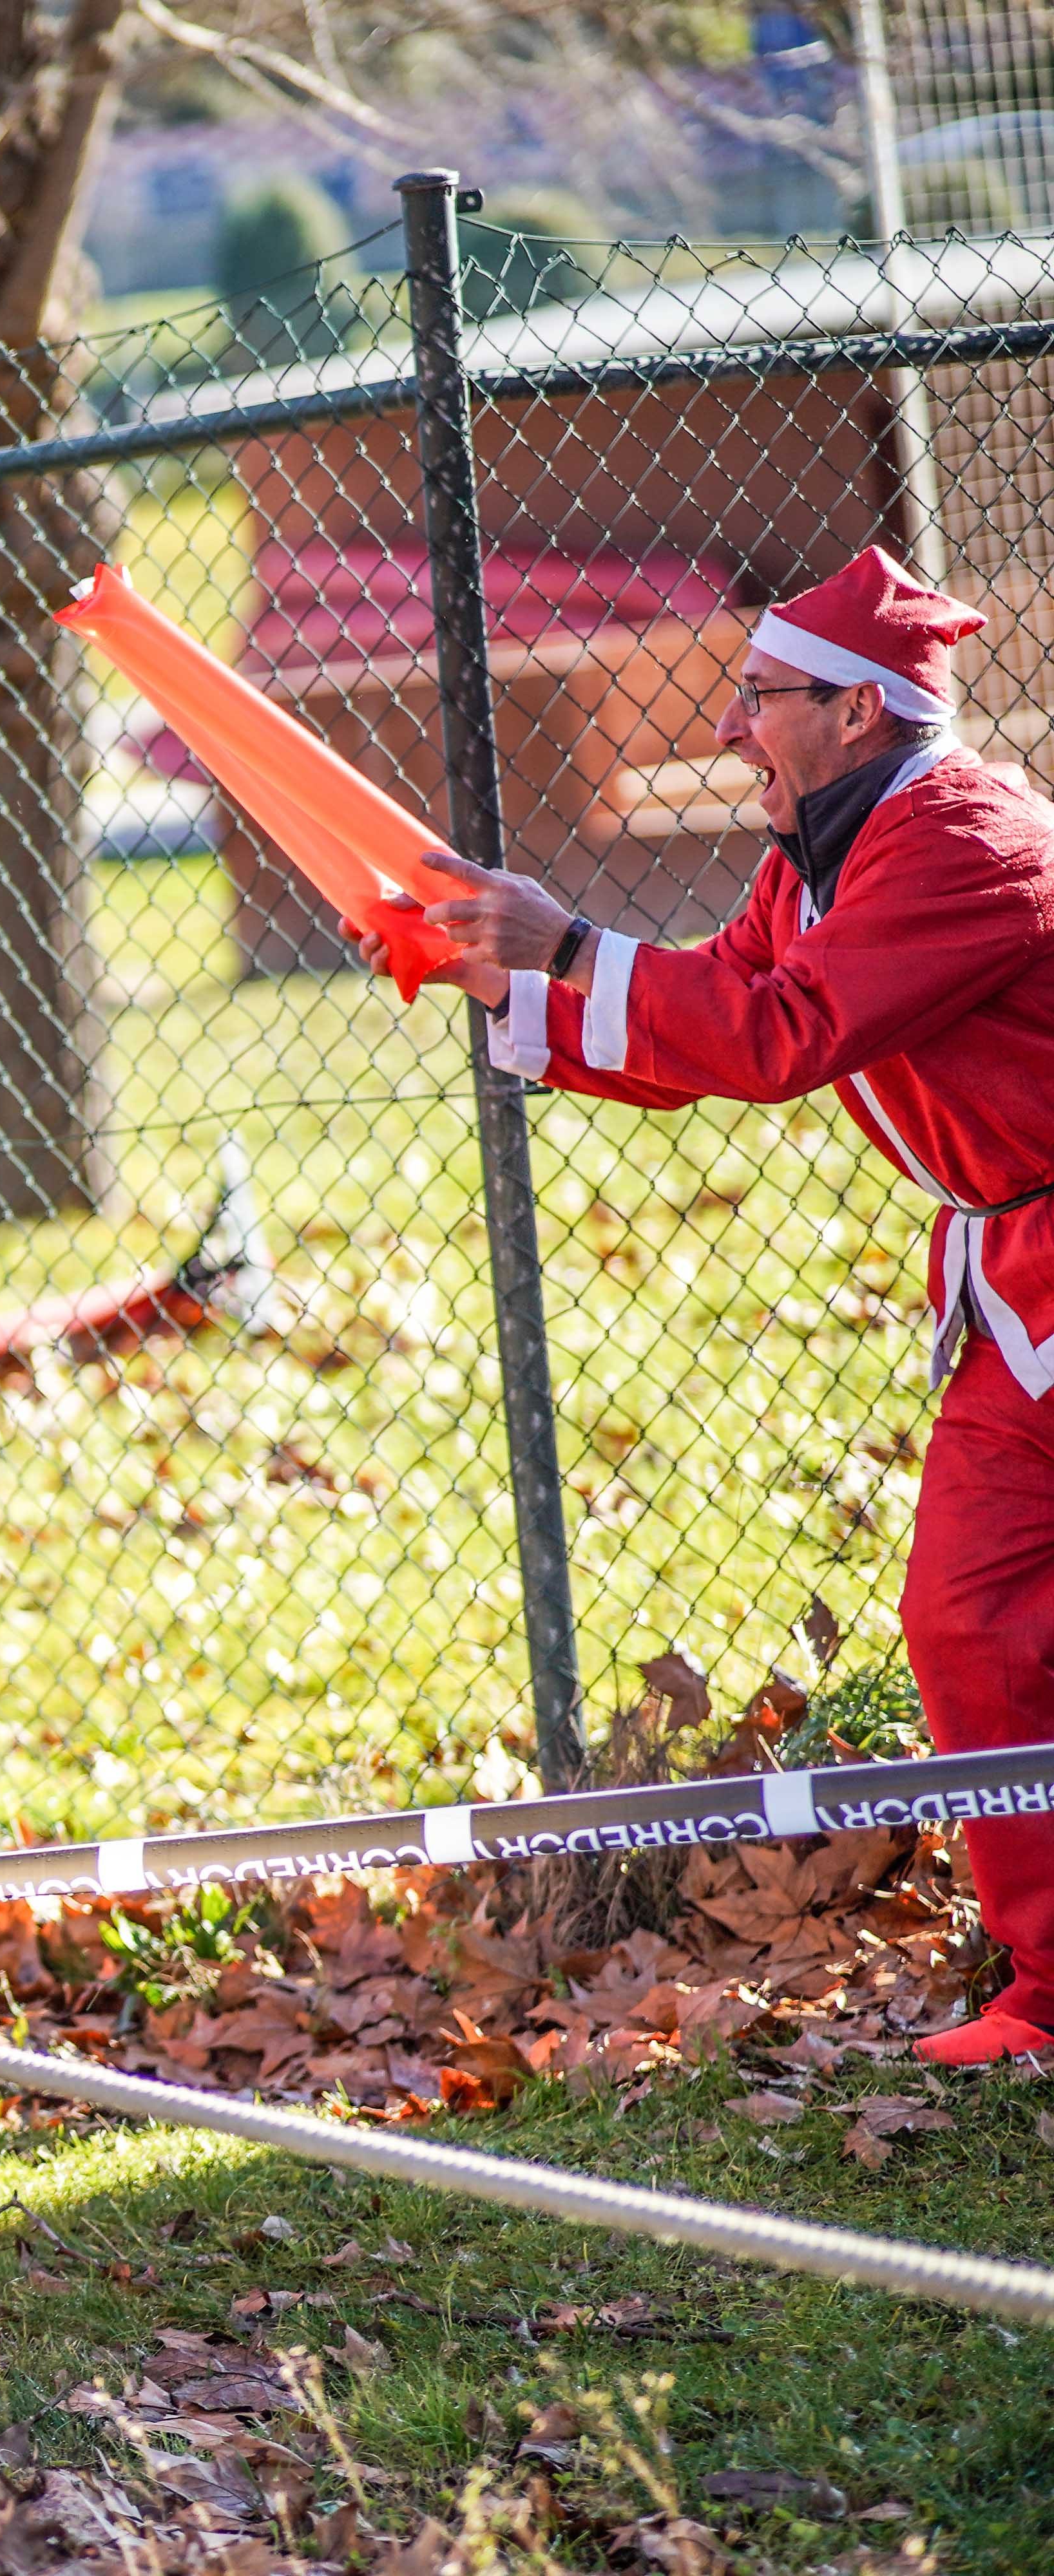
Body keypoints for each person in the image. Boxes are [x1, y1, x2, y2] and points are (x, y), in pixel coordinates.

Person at [356, 545, 1054, 2070]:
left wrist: (567, 944)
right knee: (967, 1618)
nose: (733, 726)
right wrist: (494, 975)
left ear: (860, 713)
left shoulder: (961, 835)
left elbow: (782, 1032)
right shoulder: (814, 845)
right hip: (1020, 1282)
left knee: (982, 1613)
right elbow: (704, 1021)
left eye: (762, 698)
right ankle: (1051, 1991)